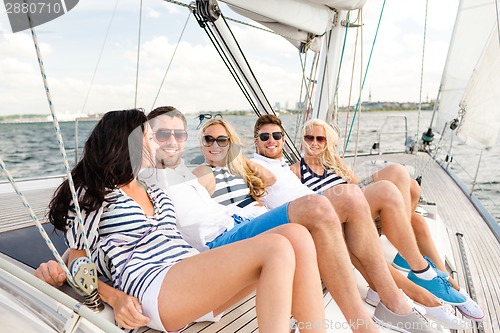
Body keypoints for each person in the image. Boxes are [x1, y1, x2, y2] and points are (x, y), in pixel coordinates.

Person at [37, 107, 433, 333]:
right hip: (153, 288)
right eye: (148, 137)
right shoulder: (94, 197)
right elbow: (77, 256)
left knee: (295, 234)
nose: (156, 144)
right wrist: (114, 296)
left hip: (186, 272)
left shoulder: (155, 189)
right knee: (279, 244)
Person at [193, 118, 467, 330]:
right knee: (380, 189)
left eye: (277, 135)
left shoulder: (284, 165)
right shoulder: (255, 163)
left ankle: (421, 280)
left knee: (410, 207)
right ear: (254, 141)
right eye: (265, 137)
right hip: (311, 211)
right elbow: (222, 181)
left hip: (320, 208)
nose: (272, 140)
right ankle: (412, 288)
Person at [290, 118, 484, 321]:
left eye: (320, 139)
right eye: (309, 137)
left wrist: (338, 164)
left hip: (357, 208)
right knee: (396, 173)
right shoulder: (296, 171)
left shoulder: (333, 164)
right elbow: (303, 207)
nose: (314, 142)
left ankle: (443, 279)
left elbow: (356, 186)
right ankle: (417, 266)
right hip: (337, 218)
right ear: (302, 140)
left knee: (413, 192)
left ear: (326, 142)